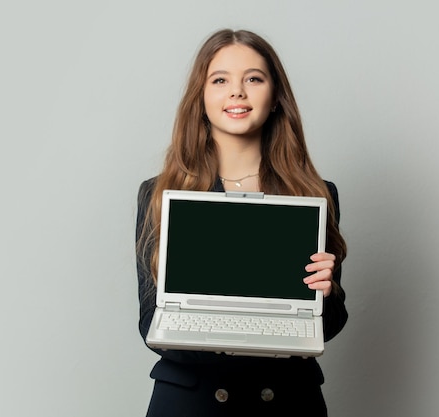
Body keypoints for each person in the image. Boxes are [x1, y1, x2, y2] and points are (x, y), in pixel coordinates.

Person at [135, 28, 348, 417]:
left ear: (276, 97)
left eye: (253, 78)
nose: (237, 92)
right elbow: (151, 322)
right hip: (190, 402)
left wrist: (327, 291)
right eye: (220, 80)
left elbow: (329, 325)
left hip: (286, 401)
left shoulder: (315, 194)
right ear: (201, 98)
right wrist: (227, 329)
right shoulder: (159, 195)